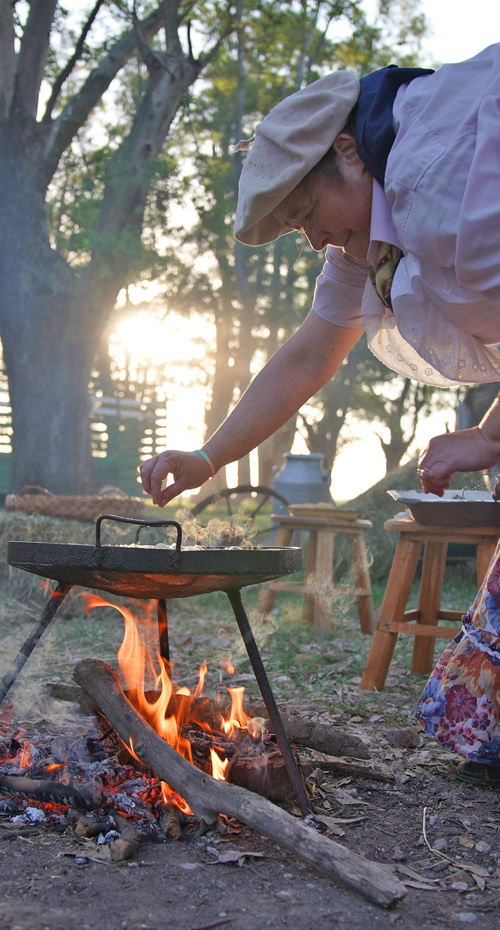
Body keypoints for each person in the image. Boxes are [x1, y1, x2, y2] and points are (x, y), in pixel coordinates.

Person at [140, 44, 500, 783]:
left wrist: (488, 436)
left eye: (307, 212)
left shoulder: (439, 180)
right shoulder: (366, 234)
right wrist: (208, 457)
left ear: (348, 151)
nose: (311, 239)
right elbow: (306, 359)